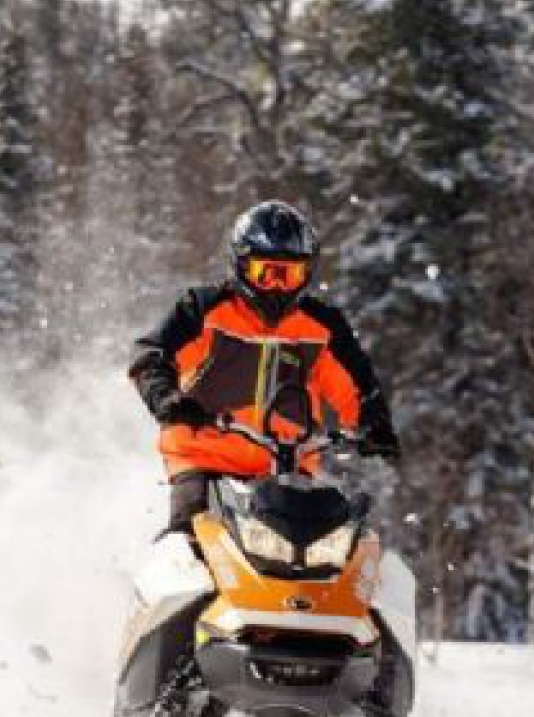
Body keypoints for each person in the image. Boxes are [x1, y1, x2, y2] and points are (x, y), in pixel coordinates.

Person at [129, 202, 401, 533]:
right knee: (191, 538)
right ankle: (162, 579)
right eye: (267, 274)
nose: (277, 288)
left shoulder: (322, 327)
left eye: (290, 276)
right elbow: (152, 355)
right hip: (204, 458)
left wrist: (373, 425)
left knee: (327, 547)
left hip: (287, 469)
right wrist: (167, 399)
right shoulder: (205, 310)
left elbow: (358, 388)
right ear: (242, 267)